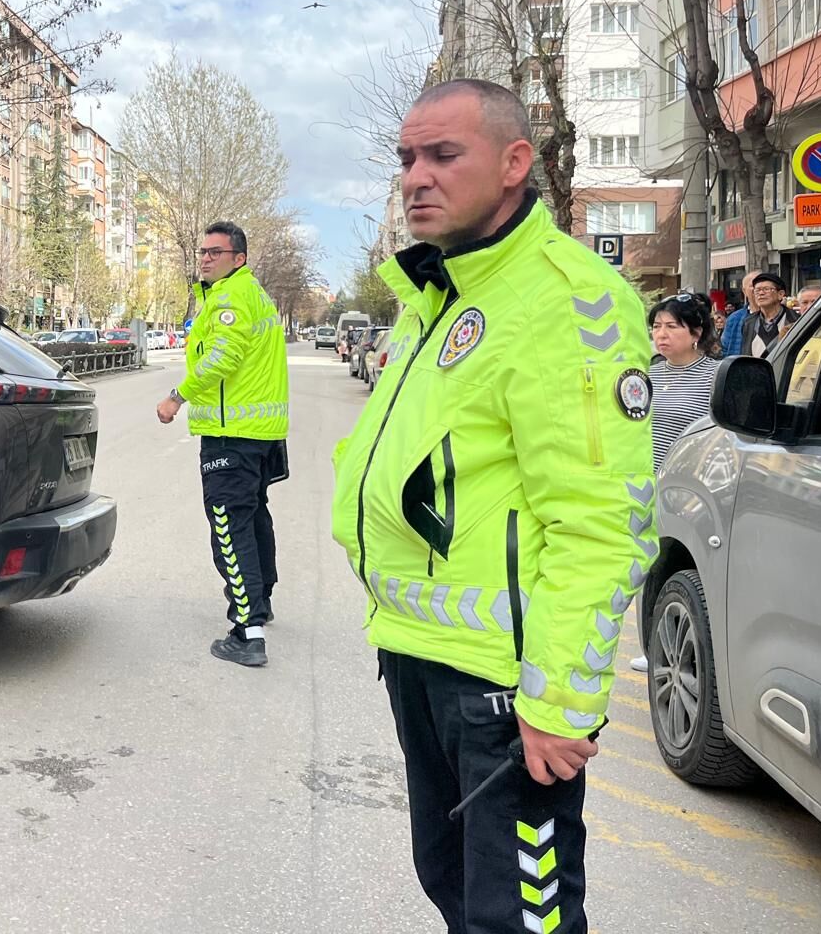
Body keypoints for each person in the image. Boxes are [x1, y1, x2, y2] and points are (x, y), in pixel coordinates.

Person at [331, 79, 653, 934]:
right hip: (420, 652)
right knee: (451, 886)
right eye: (406, 158)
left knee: (515, 919)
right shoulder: (439, 296)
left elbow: (601, 523)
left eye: (443, 155)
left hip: (503, 689)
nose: (415, 178)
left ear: (516, 164)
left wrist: (558, 702)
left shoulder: (565, 300)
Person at [155, 220, 289, 668]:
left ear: (239, 258)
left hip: (233, 433)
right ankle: (262, 599)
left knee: (229, 524)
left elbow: (223, 357)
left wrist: (177, 396)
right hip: (260, 434)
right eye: (203, 252)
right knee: (254, 517)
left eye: (216, 252)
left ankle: (247, 632)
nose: (206, 258)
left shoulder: (231, 297)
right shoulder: (252, 293)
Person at [629, 293, 719, 673]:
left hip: (688, 489)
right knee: (643, 567)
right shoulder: (650, 372)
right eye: (656, 327)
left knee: (673, 565)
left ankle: (676, 648)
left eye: (671, 327)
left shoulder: (716, 375)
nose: (660, 335)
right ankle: (653, 645)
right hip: (644, 484)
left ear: (696, 332)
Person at [745, 271, 796, 357]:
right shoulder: (749, 322)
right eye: (757, 290)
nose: (761, 293)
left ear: (780, 294)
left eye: (766, 289)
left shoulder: (794, 320)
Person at [720, 270, 759, 356]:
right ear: (744, 291)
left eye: (763, 286)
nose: (758, 289)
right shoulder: (734, 319)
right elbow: (724, 349)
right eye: (753, 285)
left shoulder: (779, 316)